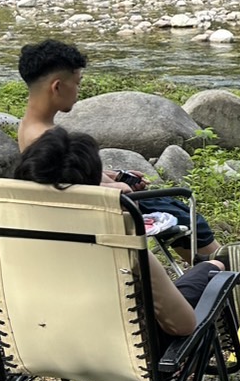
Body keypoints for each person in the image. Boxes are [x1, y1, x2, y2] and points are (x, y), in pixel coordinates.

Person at [16, 39, 223, 263]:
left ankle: (219, 265)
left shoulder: (32, 126)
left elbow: (65, 174)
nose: (78, 90)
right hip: (107, 207)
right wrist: (118, 186)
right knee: (187, 220)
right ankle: (221, 269)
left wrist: (114, 175)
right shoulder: (43, 138)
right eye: (77, 83)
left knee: (175, 210)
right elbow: (73, 189)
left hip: (101, 200)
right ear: (57, 87)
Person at [12, 126, 223, 339]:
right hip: (128, 354)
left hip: (44, 344)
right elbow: (182, 325)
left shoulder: (10, 237)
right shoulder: (117, 238)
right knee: (215, 267)